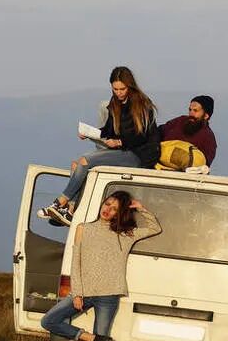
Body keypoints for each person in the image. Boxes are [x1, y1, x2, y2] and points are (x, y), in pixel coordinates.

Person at [40, 191, 161, 341]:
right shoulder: (83, 228)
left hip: (109, 295)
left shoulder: (126, 235)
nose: (108, 210)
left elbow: (154, 228)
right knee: (49, 321)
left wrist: (141, 208)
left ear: (119, 214)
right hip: (84, 293)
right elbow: (76, 262)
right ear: (102, 203)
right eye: (107, 204)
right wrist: (77, 293)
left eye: (114, 209)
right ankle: (92, 339)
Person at [39, 66, 159, 226]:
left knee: (85, 160)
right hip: (122, 151)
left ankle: (59, 203)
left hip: (138, 155)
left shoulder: (142, 104)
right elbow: (109, 129)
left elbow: (142, 135)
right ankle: (71, 210)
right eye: (115, 89)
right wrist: (90, 133)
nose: (119, 93)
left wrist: (120, 142)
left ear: (130, 86)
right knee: (76, 165)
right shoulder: (115, 102)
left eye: (122, 89)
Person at [158, 95, 217, 166]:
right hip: (155, 164)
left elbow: (202, 166)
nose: (191, 113)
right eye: (190, 110)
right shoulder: (179, 121)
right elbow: (158, 132)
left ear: (206, 116)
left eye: (195, 110)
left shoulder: (209, 138)